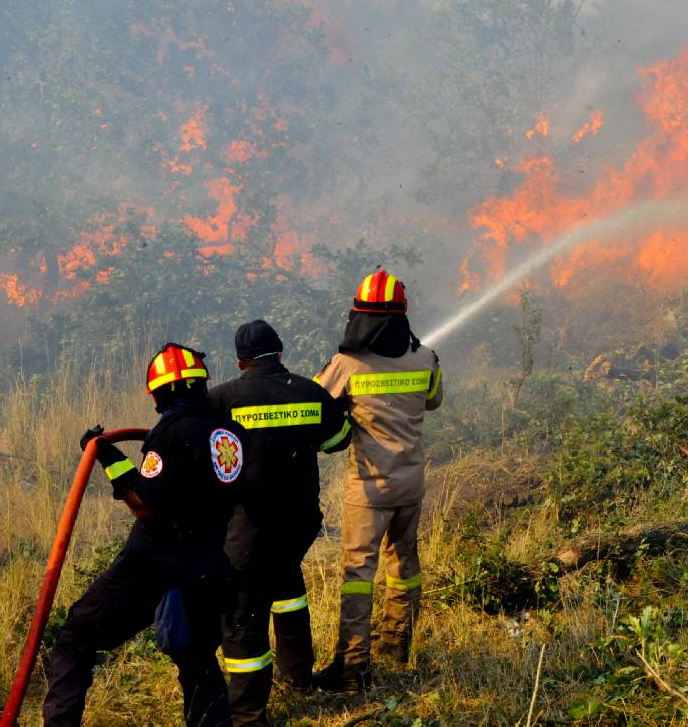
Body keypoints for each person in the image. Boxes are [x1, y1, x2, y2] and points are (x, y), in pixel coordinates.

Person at [42, 343, 246, 727]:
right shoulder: (230, 433)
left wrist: (108, 457)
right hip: (206, 563)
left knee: (75, 637)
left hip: (152, 564)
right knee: (197, 657)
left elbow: (146, 504)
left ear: (159, 392)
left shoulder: (169, 433)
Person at [208, 319, 351, 726]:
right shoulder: (309, 391)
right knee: (287, 588)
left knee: (242, 613)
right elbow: (338, 439)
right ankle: (298, 675)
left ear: (239, 361)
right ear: (281, 350)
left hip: (249, 528)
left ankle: (248, 714)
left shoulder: (222, 400)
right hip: (299, 522)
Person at [311, 269, 443, 692]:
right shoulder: (425, 358)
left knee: (357, 574)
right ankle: (395, 647)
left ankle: (352, 668)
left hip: (369, 490)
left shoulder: (347, 365)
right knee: (404, 566)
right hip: (411, 485)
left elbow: (313, 404)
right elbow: (433, 400)